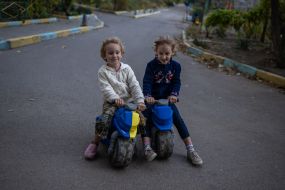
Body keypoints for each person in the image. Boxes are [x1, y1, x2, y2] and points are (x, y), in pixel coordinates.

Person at [142, 36, 203, 166]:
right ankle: (147, 147)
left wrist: (174, 94)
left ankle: (190, 149)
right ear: (156, 52)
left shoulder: (176, 66)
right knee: (144, 119)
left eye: (167, 54)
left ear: (172, 52)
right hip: (152, 99)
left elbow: (176, 82)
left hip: (168, 100)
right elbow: (147, 81)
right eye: (161, 54)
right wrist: (147, 95)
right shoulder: (151, 66)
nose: (164, 57)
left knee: (178, 119)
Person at [84, 37, 147, 160]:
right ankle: (95, 143)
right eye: (110, 53)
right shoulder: (103, 71)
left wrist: (140, 100)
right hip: (112, 102)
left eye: (117, 52)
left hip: (129, 103)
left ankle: (146, 145)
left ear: (121, 54)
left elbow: (134, 85)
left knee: (142, 120)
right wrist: (115, 98)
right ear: (104, 56)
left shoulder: (127, 69)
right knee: (104, 119)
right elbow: (105, 88)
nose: (114, 55)